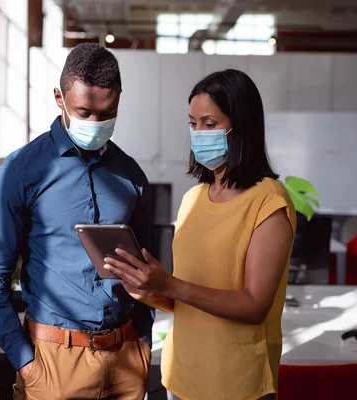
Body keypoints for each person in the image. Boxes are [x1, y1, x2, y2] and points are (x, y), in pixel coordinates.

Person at [102, 69, 296, 400]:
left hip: (236, 385)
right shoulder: (193, 199)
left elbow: (254, 306)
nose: (198, 133)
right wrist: (145, 287)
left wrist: (170, 284)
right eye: (193, 124)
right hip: (181, 378)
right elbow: (185, 298)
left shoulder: (269, 200)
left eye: (209, 123)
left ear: (241, 127)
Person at [0, 43, 154, 400]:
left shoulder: (131, 176)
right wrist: (26, 363)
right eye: (84, 112)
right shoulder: (21, 171)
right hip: (53, 363)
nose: (95, 124)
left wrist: (144, 343)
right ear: (60, 98)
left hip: (126, 360)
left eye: (106, 113)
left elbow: (148, 268)